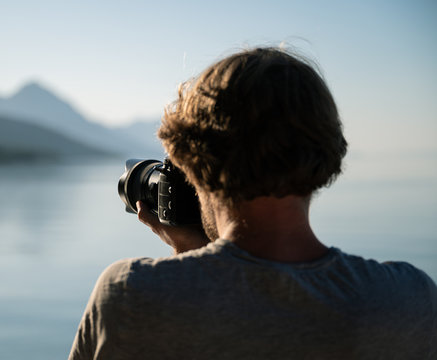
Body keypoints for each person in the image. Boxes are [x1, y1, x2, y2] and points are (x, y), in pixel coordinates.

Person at [68, 47, 437, 359]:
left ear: (192, 163)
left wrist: (187, 260)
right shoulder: (407, 299)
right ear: (325, 154)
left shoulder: (130, 296)